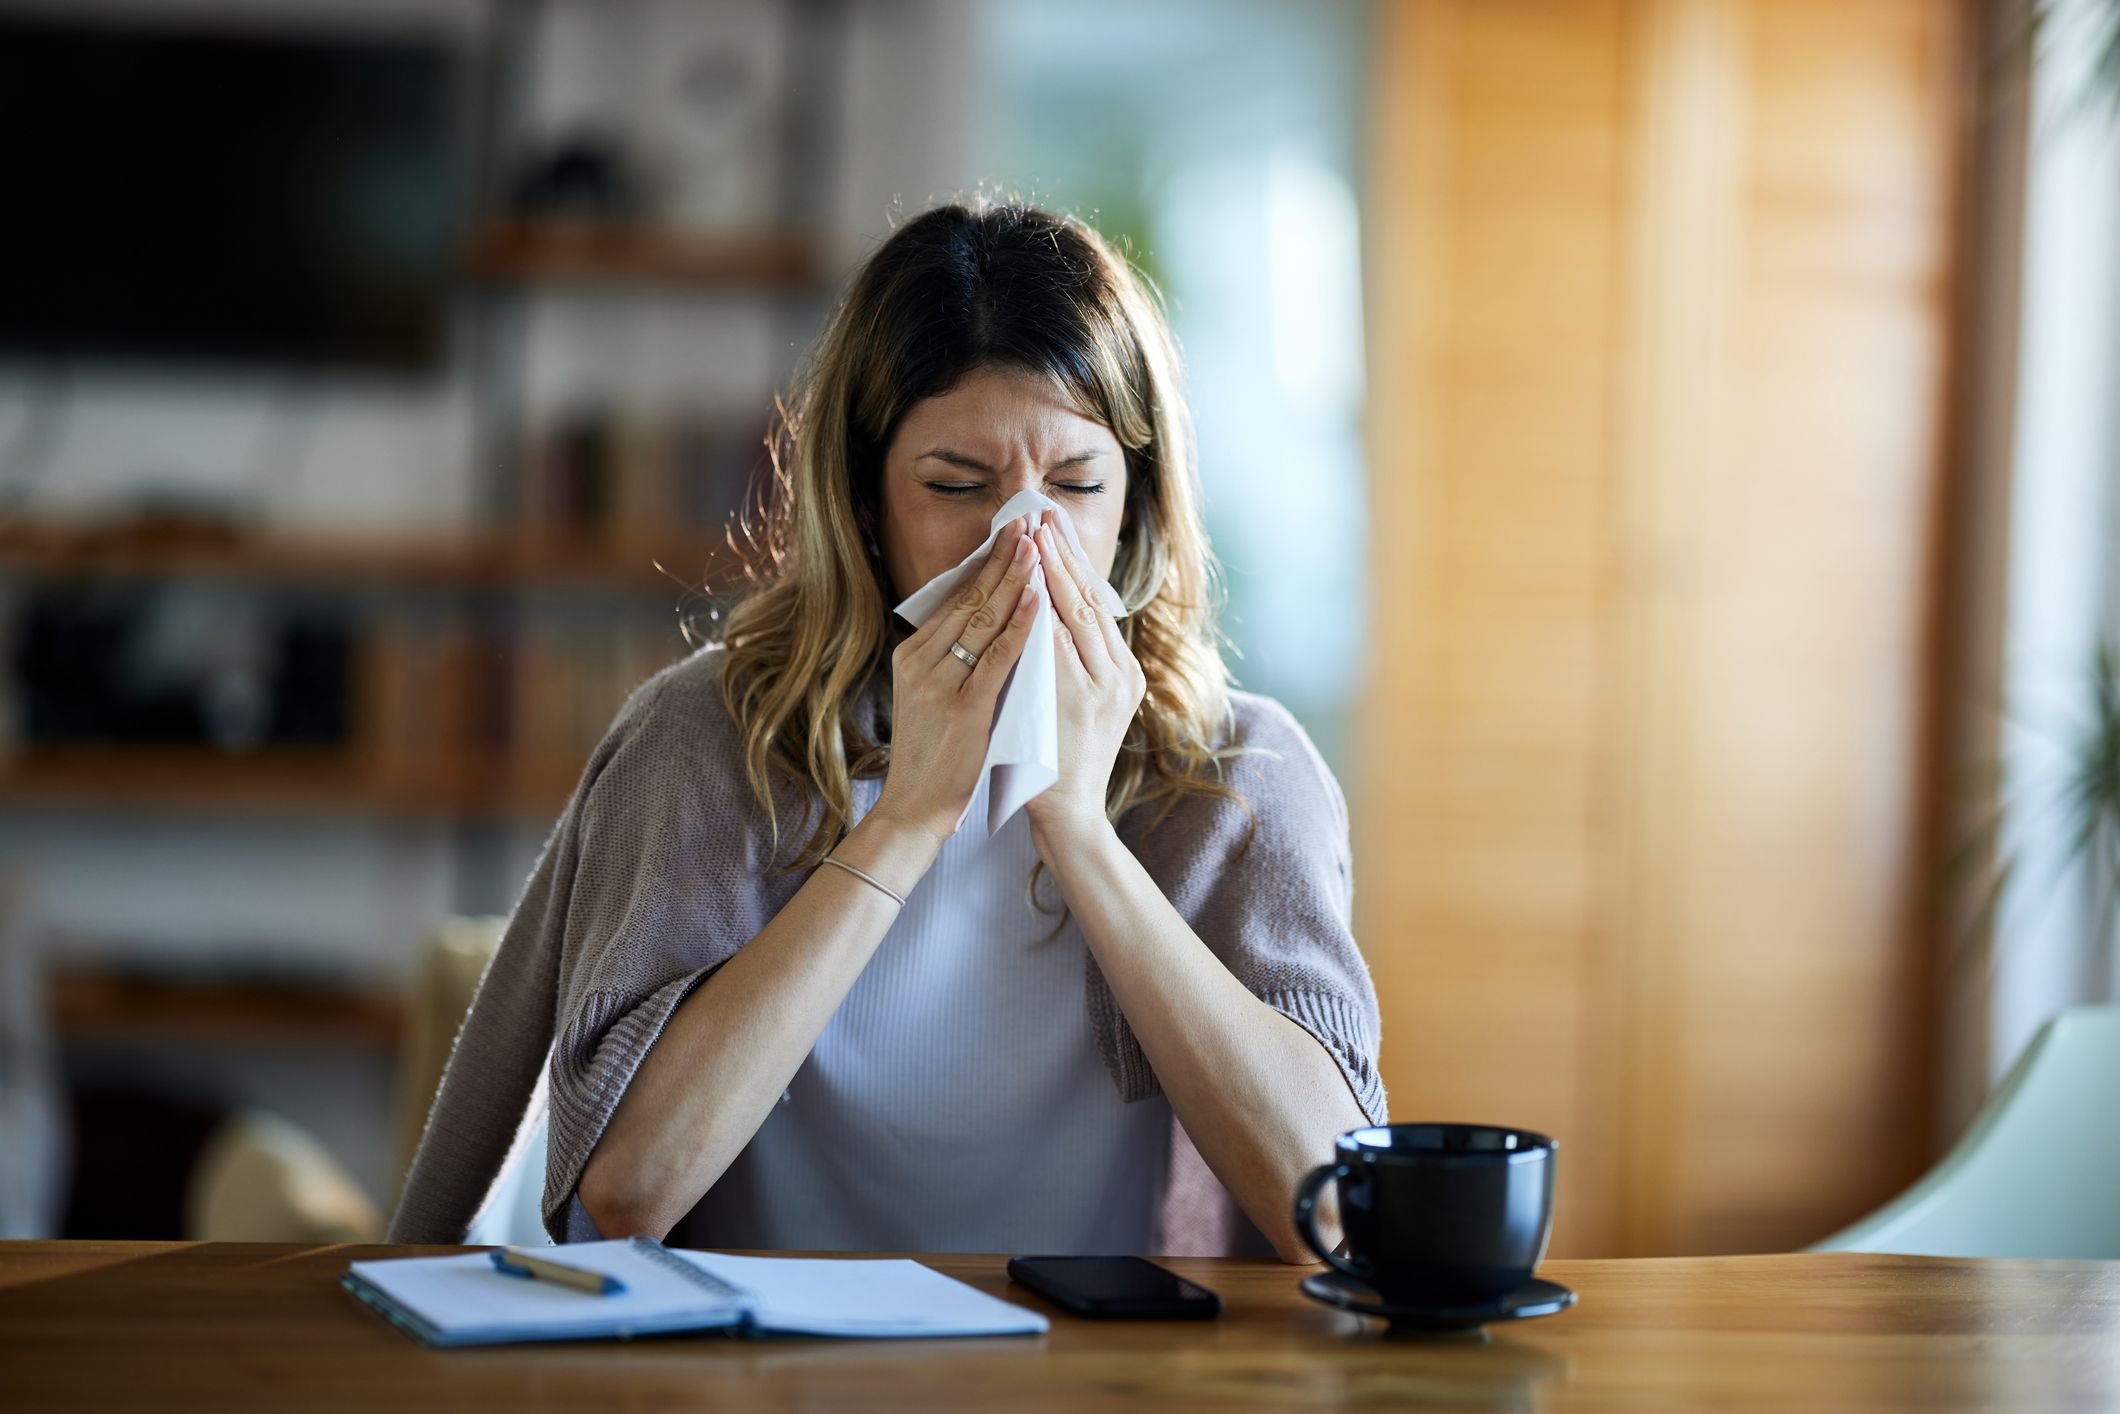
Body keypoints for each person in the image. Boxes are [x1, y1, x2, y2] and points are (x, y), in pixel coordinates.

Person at [388, 200, 1384, 1261]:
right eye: (958, 486)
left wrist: (1077, 828)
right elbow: (631, 1187)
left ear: (1135, 507)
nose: (1024, 539)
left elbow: (1328, 1205)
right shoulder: (706, 740)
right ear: (865, 505)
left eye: (1077, 485)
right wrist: (906, 818)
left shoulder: (1240, 771)